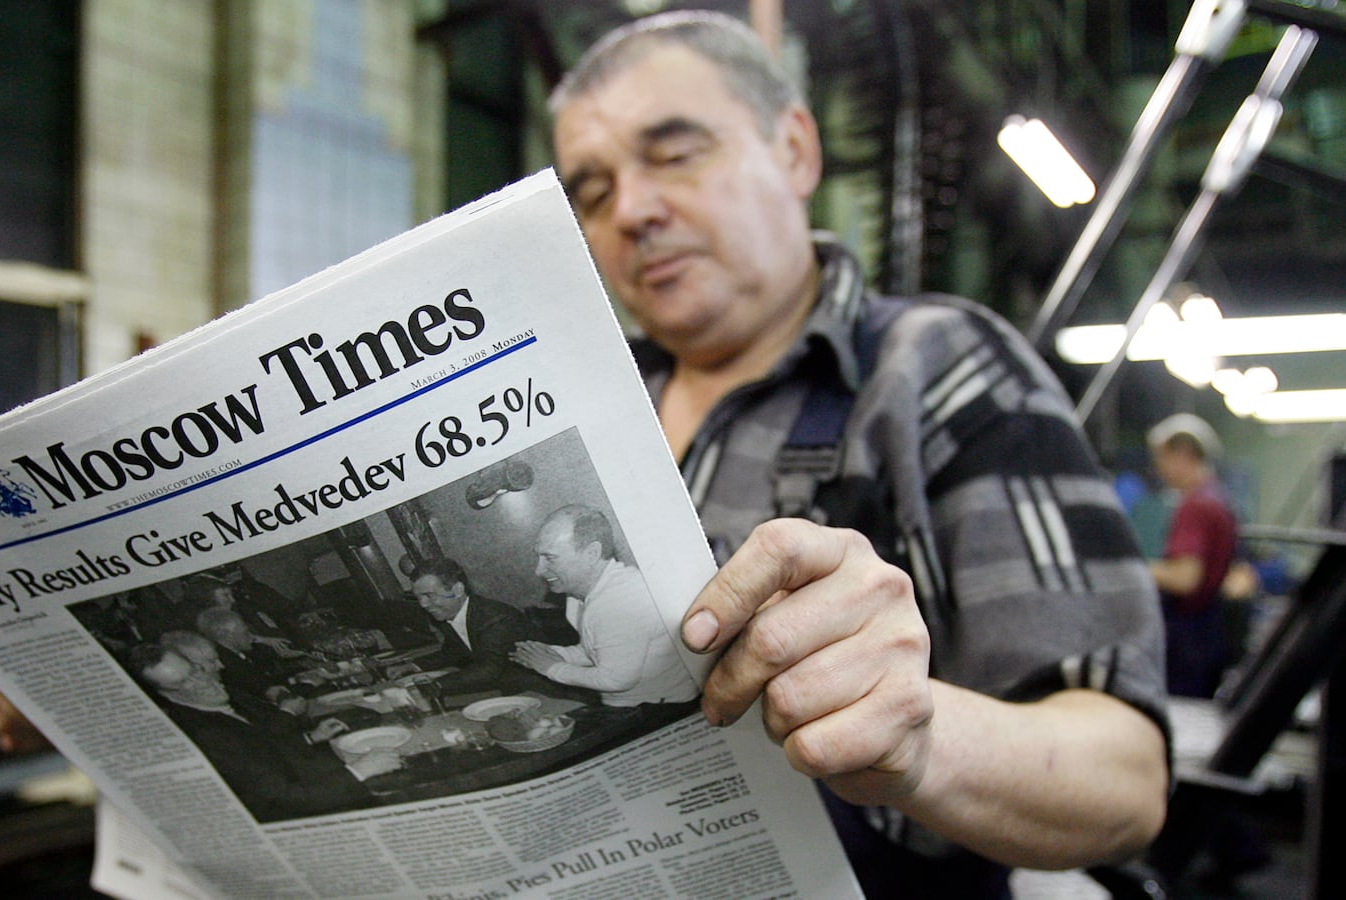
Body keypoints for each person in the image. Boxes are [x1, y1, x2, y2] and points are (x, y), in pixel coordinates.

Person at [549, 11, 1168, 896]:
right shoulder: (589, 406)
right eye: (593, 190)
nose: (634, 211)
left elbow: (1127, 778)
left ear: (796, 150)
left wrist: (918, 738)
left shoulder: (938, 371)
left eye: (675, 152)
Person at [131, 643, 400, 821]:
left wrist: (310, 738)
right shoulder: (204, 735)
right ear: (166, 694)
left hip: (310, 783)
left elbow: (265, 750)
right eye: (184, 682)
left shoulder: (220, 699)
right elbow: (283, 798)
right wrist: (358, 772)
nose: (203, 682)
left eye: (196, 670)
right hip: (299, 814)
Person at [509, 504, 700, 713]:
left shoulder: (618, 600)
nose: (539, 570)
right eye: (538, 557)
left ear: (592, 553)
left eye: (550, 558)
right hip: (629, 706)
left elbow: (616, 679)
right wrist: (553, 654)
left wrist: (551, 667)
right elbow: (597, 651)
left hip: (661, 711)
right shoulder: (578, 596)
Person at [1147, 412, 1238, 699]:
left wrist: (1134, 569)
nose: (1158, 468)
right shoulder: (1219, 498)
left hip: (1188, 642)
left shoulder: (1196, 506)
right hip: (1209, 637)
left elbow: (1185, 579)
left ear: (1183, 454)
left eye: (1161, 458)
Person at [407, 556, 535, 696]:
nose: (423, 604)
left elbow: (489, 669)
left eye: (429, 595)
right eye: (418, 597)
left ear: (458, 590)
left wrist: (434, 686)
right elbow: (453, 650)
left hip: (536, 691)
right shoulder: (449, 614)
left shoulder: (496, 618)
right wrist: (415, 665)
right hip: (503, 689)